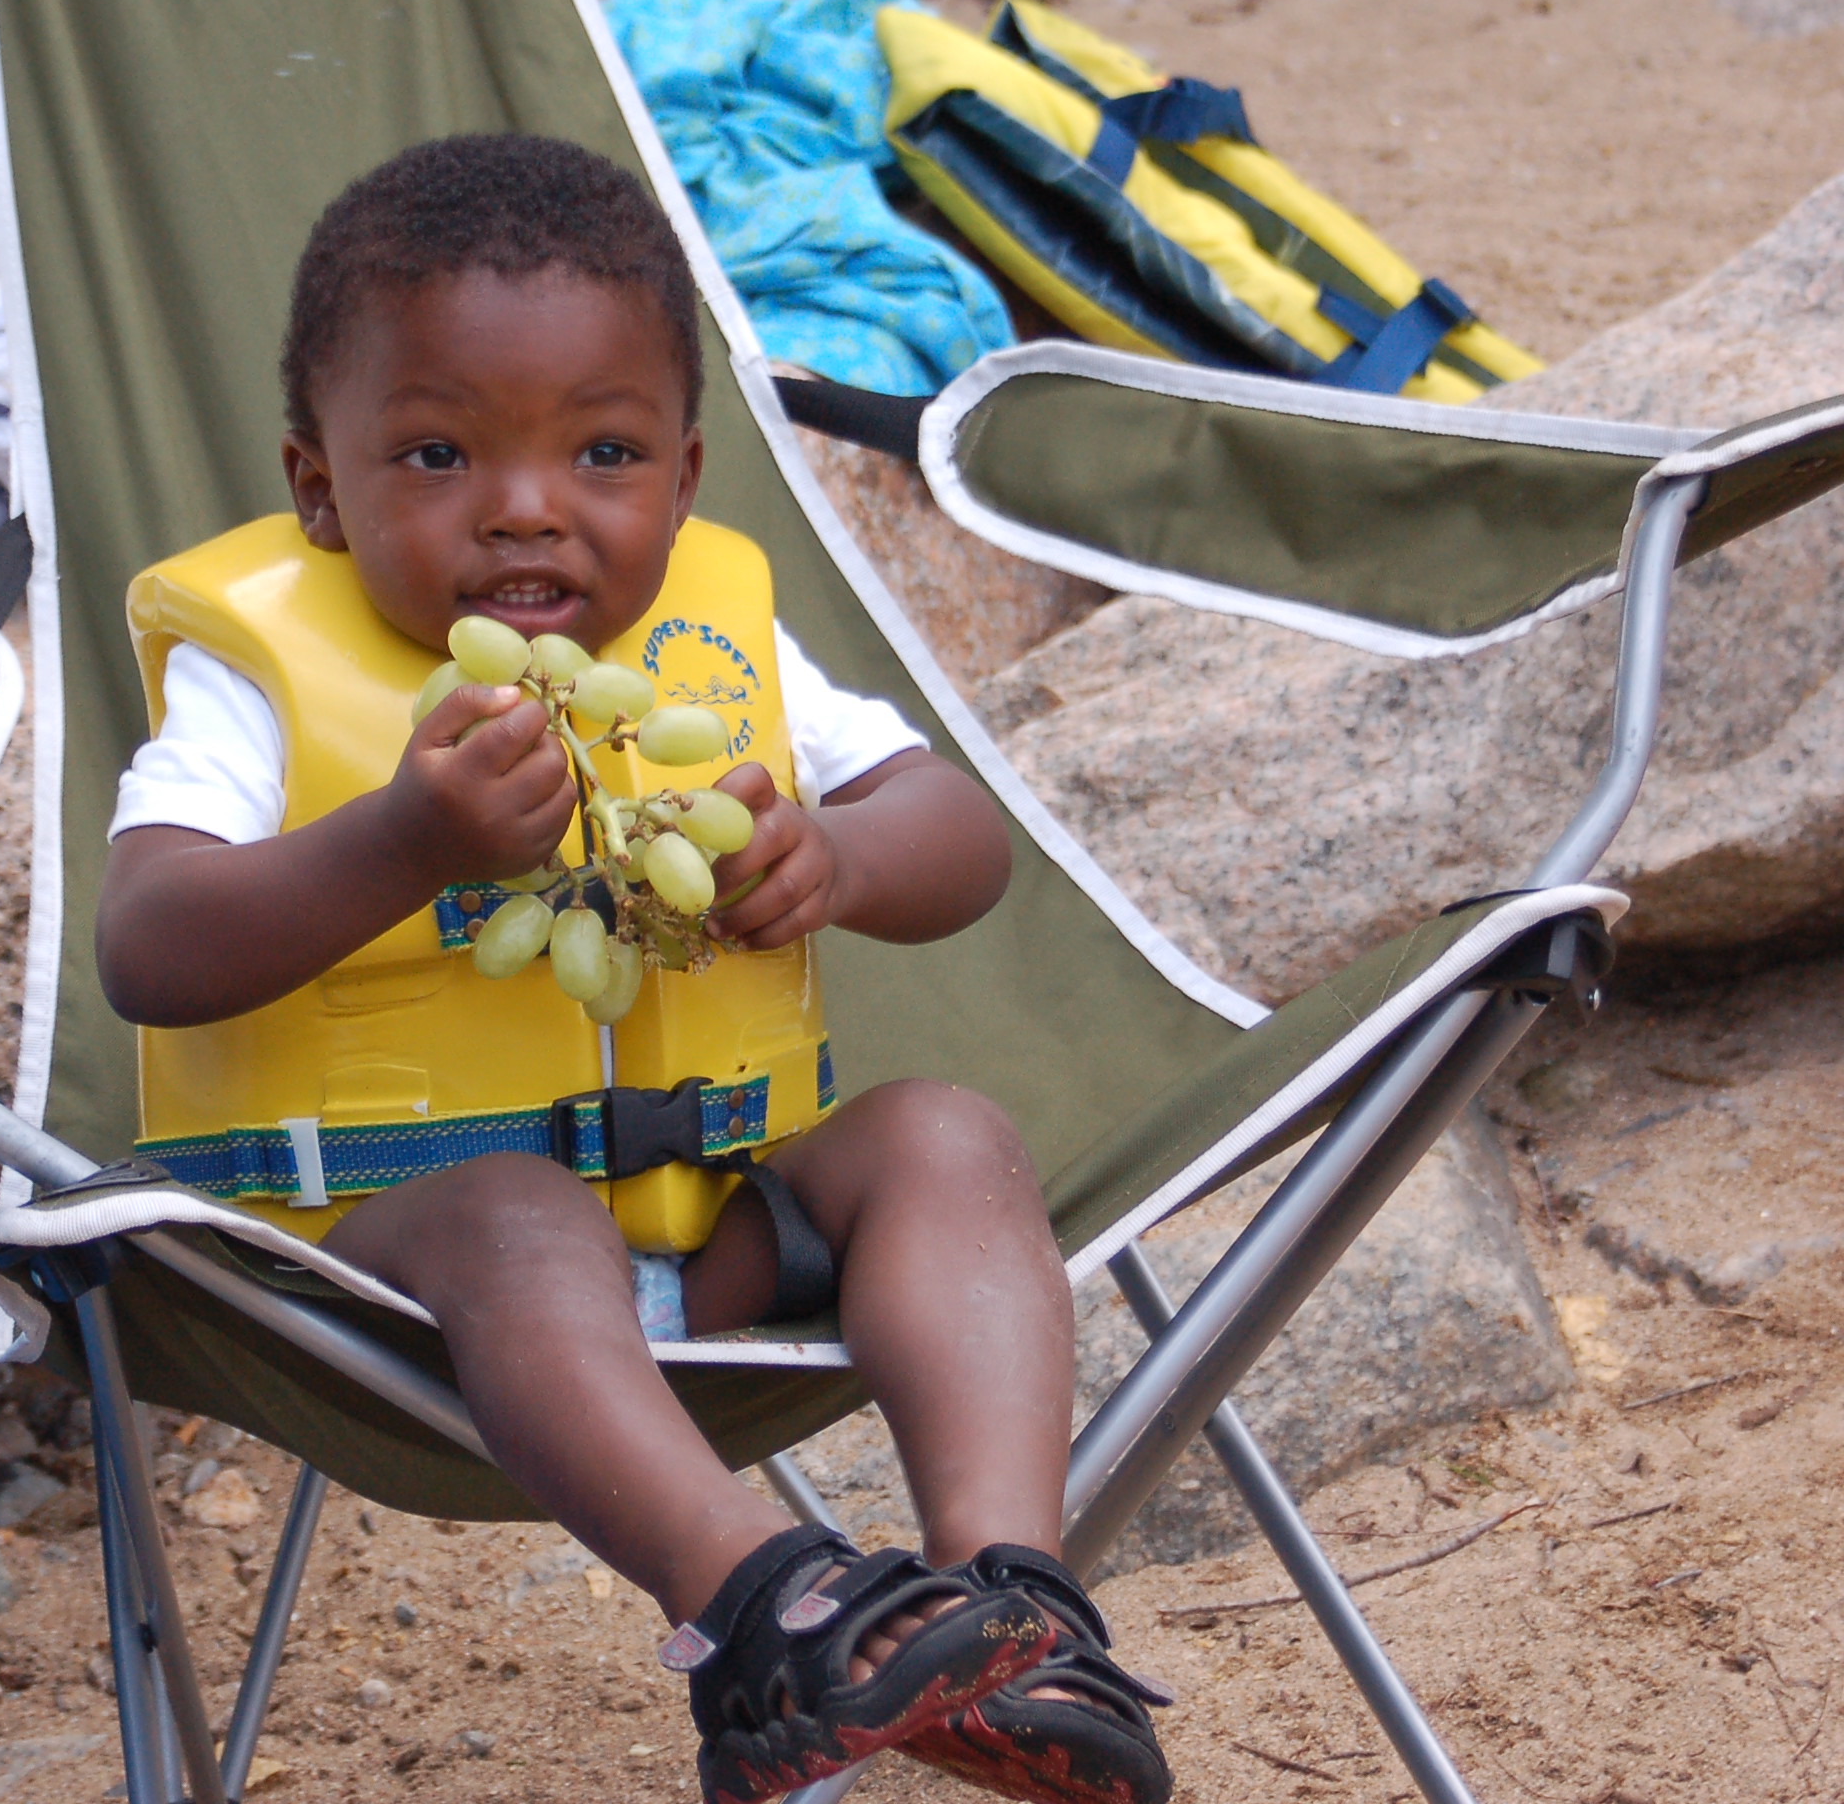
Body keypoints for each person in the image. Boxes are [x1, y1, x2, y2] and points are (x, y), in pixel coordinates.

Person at [95, 133, 1170, 1804]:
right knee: (519, 1212)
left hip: (715, 1239)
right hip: (390, 1279)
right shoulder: (259, 674)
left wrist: (840, 858)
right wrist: (402, 843)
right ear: (319, 488)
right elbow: (147, 946)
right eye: (440, 452)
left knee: (942, 1134)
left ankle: (1008, 1606)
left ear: (681, 480)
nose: (528, 506)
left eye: (603, 452)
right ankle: (766, 1614)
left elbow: (961, 839)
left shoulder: (720, 644)